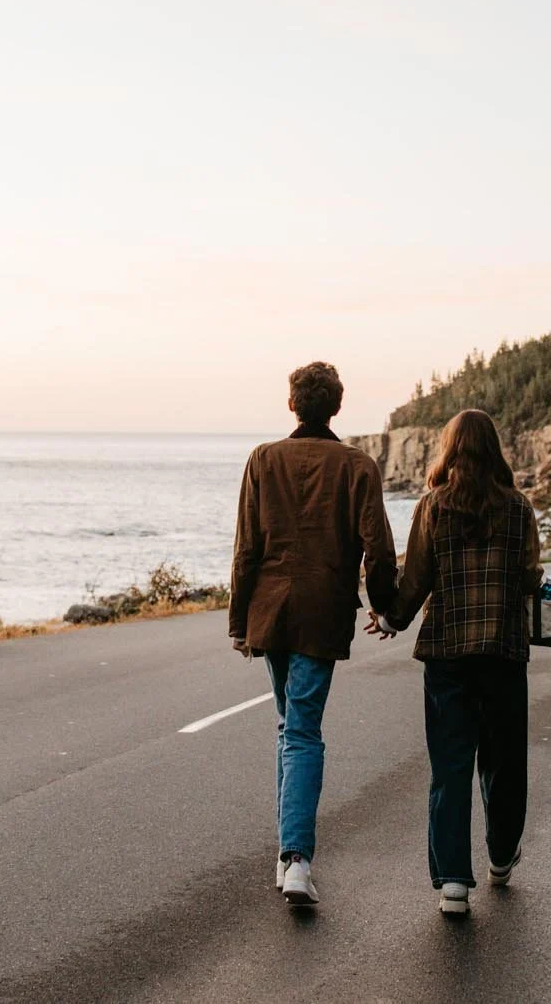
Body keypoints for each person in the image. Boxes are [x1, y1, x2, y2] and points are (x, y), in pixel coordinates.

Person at [229, 361, 397, 908]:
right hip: (322, 613)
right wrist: (387, 609)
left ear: (292, 404)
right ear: (337, 407)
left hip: (270, 612)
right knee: (300, 729)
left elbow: (246, 548)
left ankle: (288, 857)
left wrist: (238, 622)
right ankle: (297, 859)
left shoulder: (262, 460)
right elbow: (379, 548)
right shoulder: (357, 466)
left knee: (291, 725)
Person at [367, 408, 542, 917]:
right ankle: (502, 856)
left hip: (447, 655)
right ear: (493, 449)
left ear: (449, 450)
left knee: (450, 767)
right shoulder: (519, 507)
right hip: (505, 654)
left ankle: (453, 886)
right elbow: (530, 577)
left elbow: (416, 577)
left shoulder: (433, 507)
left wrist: (392, 619)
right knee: (505, 763)